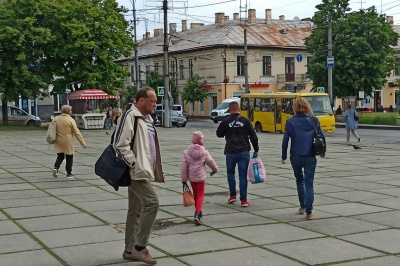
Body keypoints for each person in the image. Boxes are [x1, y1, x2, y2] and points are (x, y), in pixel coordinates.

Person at [114, 86, 164, 265]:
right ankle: (140, 247)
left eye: (156, 101)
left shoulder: (147, 118)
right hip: (135, 172)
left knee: (135, 211)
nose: (155, 104)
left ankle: (129, 250)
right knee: (152, 203)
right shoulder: (130, 116)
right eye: (152, 101)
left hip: (142, 170)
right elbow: (119, 144)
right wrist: (134, 164)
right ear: (141, 101)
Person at [281, 98, 325, 220]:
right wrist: (322, 152)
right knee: (309, 183)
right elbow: (321, 136)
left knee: (299, 180)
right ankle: (309, 212)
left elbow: (285, 140)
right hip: (310, 155)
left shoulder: (290, 121)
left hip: (295, 155)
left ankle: (303, 206)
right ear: (307, 106)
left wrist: (283, 156)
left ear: (294, 108)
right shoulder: (314, 120)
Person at [216, 101, 259, 207]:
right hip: (243, 152)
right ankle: (244, 200)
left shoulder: (225, 121)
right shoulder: (245, 121)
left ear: (229, 110)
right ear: (238, 109)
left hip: (231, 151)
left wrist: (228, 132)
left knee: (230, 174)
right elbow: (253, 136)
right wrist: (256, 149)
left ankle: (232, 195)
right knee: (242, 176)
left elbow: (219, 134)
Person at [181, 131, 218, 226]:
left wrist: (184, 179)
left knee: (196, 195)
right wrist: (215, 169)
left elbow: (184, 167)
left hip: (192, 178)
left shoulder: (186, 152)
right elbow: (211, 161)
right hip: (201, 177)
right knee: (201, 195)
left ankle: (199, 212)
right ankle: (197, 214)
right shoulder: (204, 152)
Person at [52, 105, 86, 179]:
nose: (71, 112)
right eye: (70, 110)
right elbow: (76, 132)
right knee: (69, 156)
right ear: (68, 111)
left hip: (58, 140)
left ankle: (56, 167)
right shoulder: (70, 120)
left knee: (60, 156)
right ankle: (69, 173)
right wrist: (82, 142)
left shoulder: (56, 119)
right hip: (67, 140)